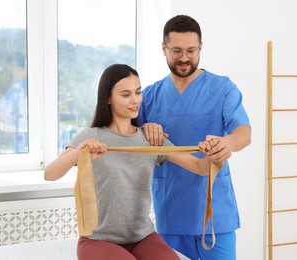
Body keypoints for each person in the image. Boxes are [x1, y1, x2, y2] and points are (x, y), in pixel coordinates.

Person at [44, 64, 218, 260]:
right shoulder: (91, 136)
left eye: (138, 92)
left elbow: (200, 167)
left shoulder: (150, 139)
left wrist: (214, 153)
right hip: (99, 239)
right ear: (108, 98)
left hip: (142, 236)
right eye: (126, 95)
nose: (135, 100)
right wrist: (79, 153)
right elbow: (50, 174)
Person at [139, 15, 252, 260]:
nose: (184, 58)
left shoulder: (223, 88)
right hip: (170, 212)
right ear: (163, 48)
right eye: (177, 50)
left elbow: (244, 132)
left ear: (200, 47)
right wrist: (145, 129)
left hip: (215, 215)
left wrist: (227, 143)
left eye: (191, 50)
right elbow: (125, 137)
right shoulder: (148, 96)